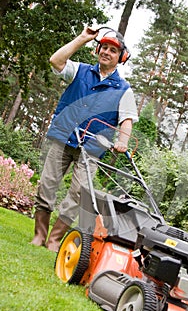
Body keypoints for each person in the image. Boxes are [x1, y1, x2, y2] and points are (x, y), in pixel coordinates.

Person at [30, 26, 138, 252]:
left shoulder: (123, 89)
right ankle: (39, 236)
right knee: (47, 185)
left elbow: (126, 120)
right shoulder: (79, 70)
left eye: (113, 50)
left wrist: (123, 142)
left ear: (121, 57)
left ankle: (54, 240)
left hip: (91, 149)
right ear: (97, 50)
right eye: (104, 48)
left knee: (78, 194)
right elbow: (55, 61)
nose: (107, 52)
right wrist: (82, 38)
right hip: (63, 138)